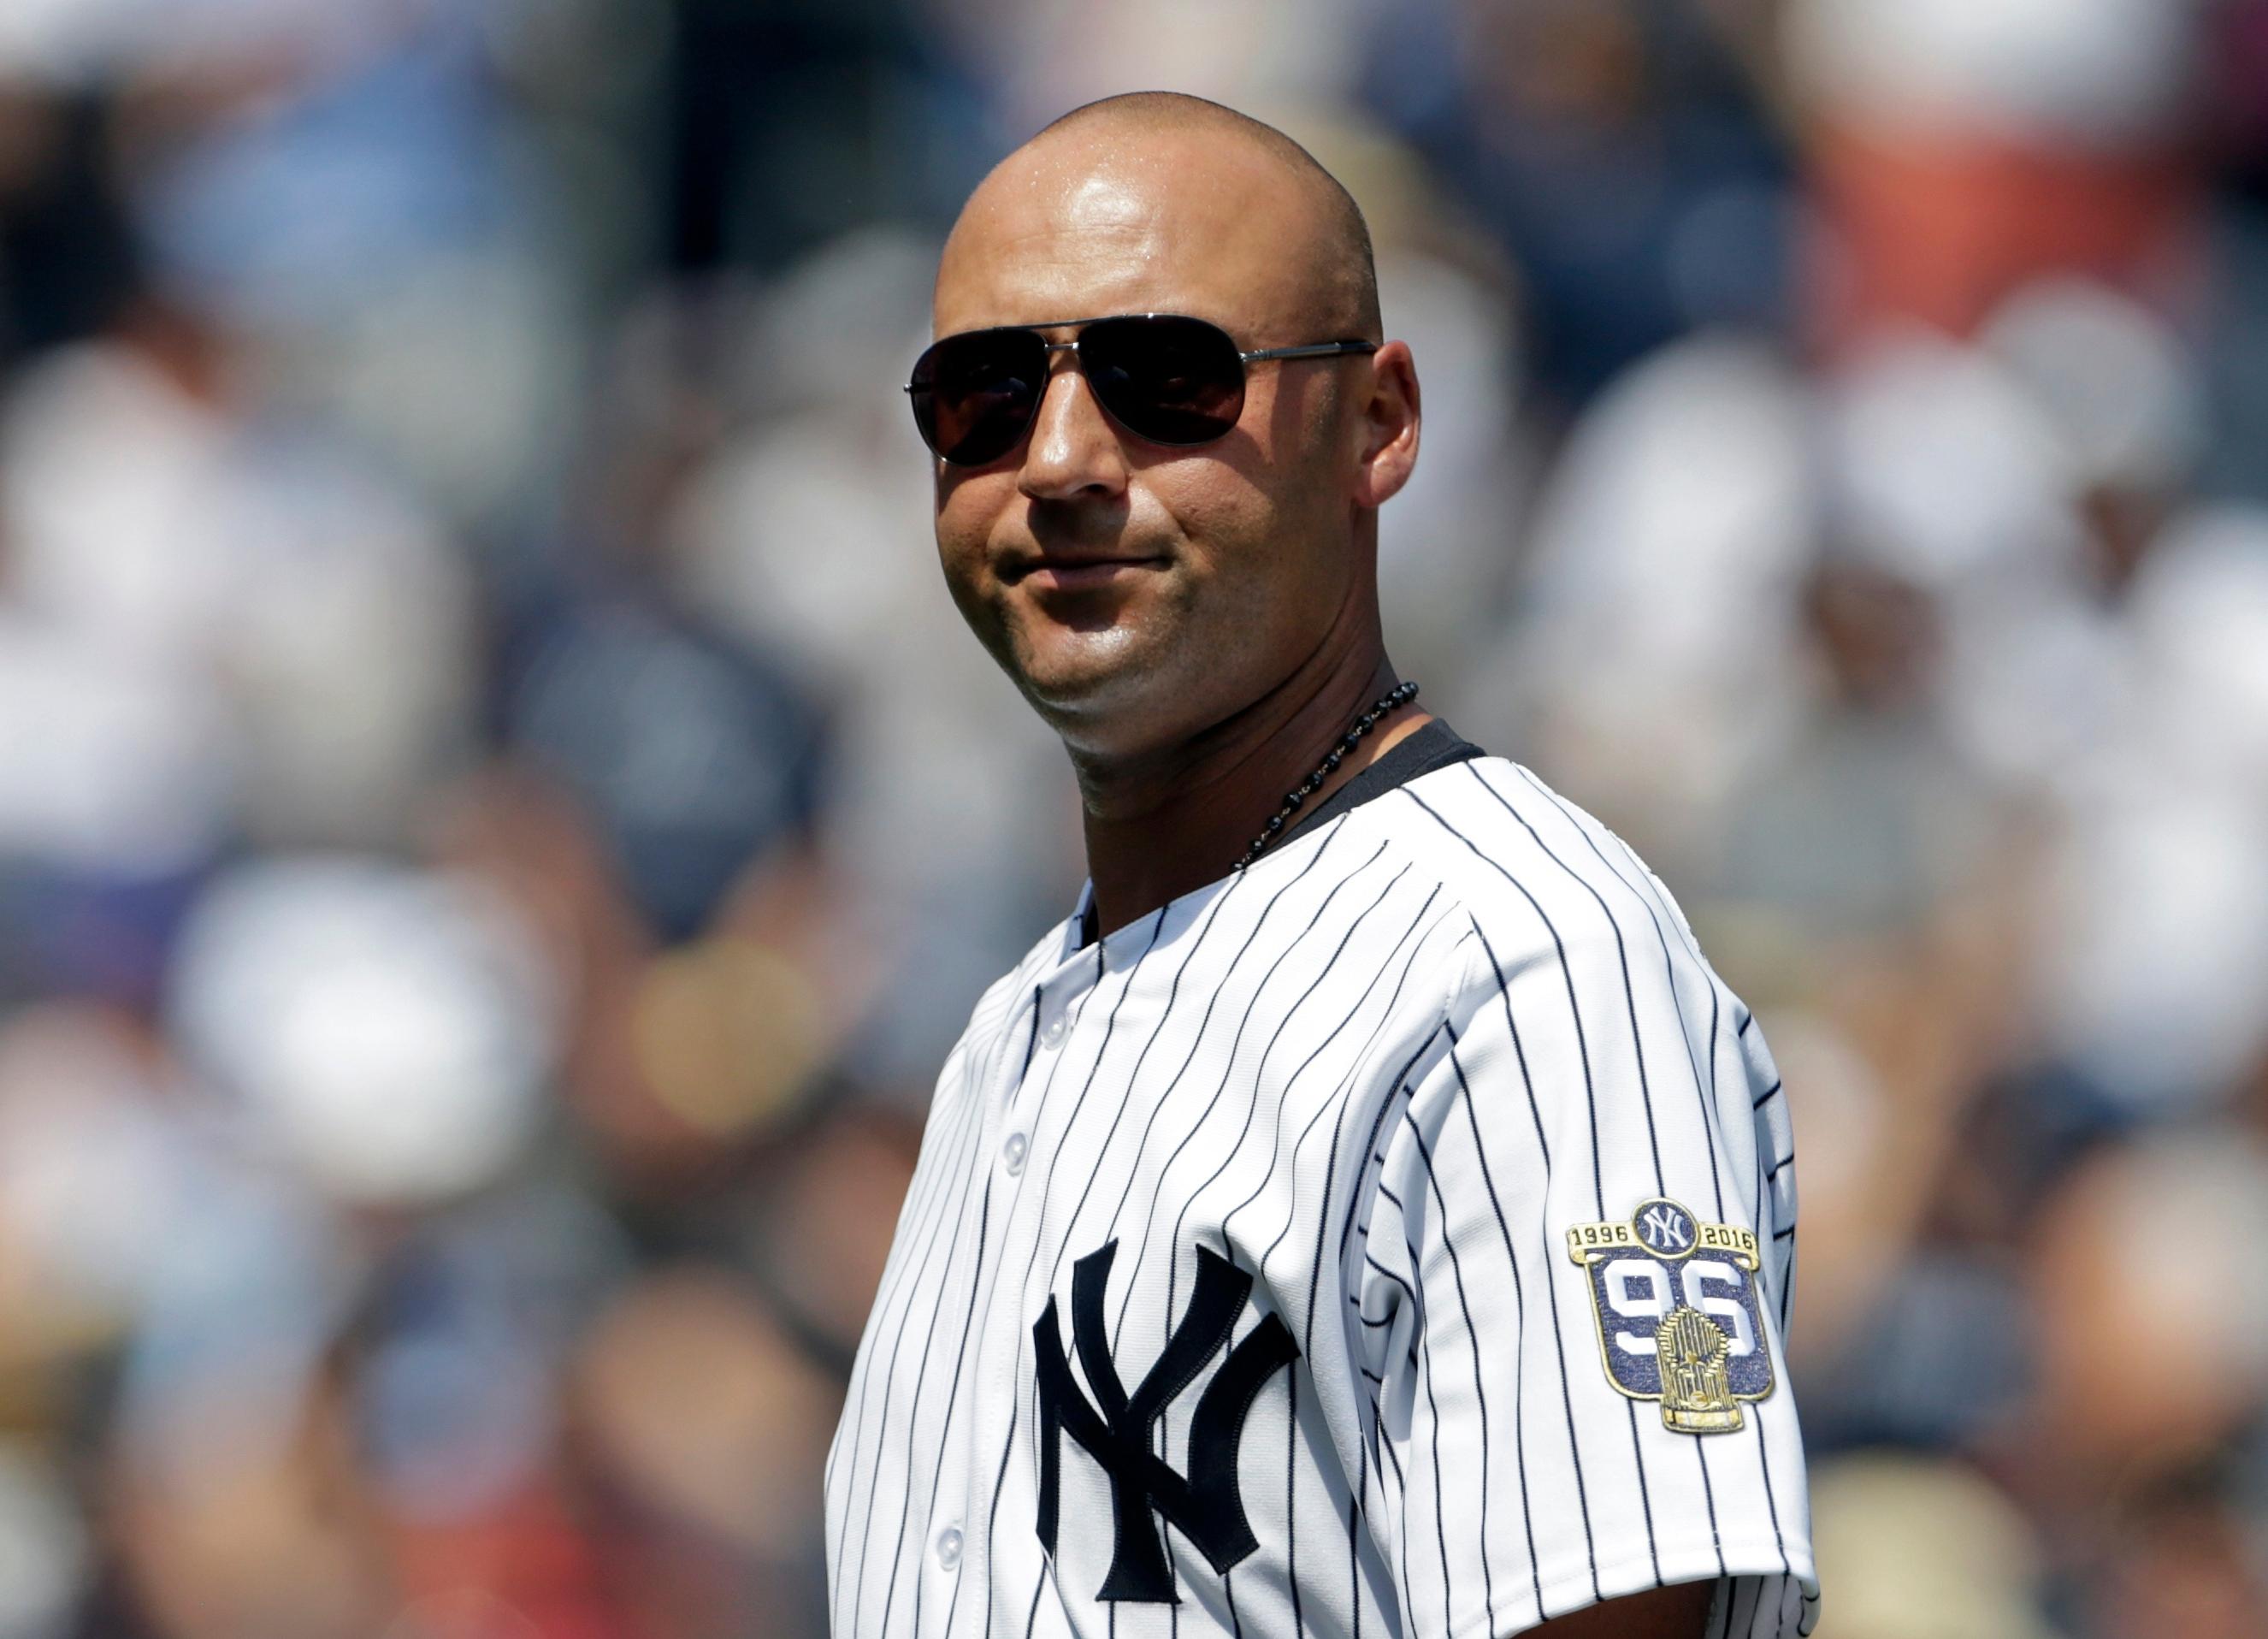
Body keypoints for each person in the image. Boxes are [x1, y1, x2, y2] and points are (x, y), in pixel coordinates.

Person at [823, 91, 1817, 1639]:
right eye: (984, 394)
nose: (1064, 457)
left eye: (1168, 376)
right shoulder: (1010, 1027)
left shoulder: (1527, 962)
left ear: (1381, 423)